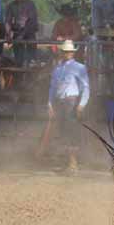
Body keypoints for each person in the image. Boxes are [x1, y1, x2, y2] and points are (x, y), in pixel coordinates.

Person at [48, 40, 90, 172]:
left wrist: (81, 104)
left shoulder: (79, 67)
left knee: (71, 131)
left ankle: (73, 163)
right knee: (63, 131)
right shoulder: (58, 68)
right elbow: (52, 88)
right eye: (66, 51)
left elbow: (86, 87)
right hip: (61, 102)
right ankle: (68, 162)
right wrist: (49, 103)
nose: (68, 54)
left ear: (73, 52)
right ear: (62, 52)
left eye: (69, 51)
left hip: (71, 102)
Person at [4, 0, 39, 67]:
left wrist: (22, 35)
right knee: (18, 60)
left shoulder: (30, 4)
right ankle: (19, 77)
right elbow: (8, 21)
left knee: (31, 60)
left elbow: (32, 22)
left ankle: (31, 76)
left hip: (29, 33)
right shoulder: (11, 6)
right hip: (17, 33)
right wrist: (8, 34)